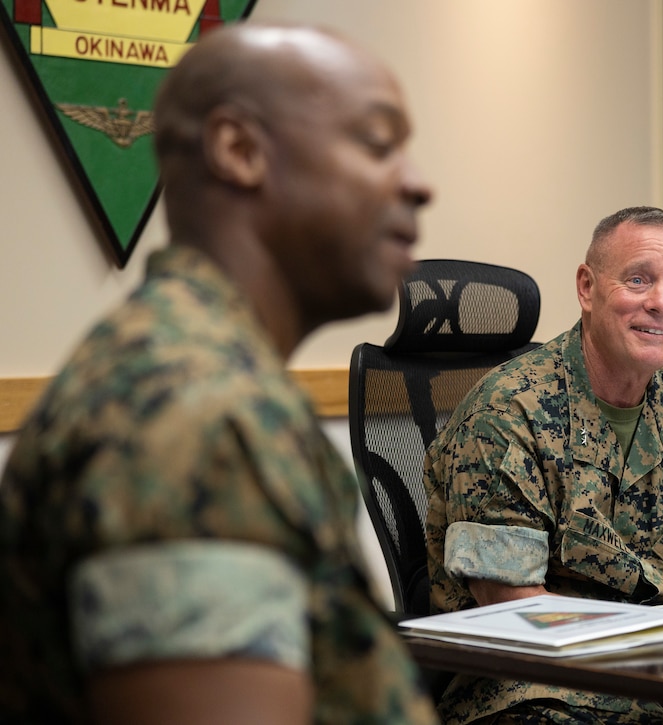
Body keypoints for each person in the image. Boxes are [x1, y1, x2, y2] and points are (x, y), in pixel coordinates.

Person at [0, 23, 438, 725]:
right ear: (240, 151)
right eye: (377, 142)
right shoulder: (196, 416)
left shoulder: (200, 375)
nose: (418, 183)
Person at [424, 206, 663, 724]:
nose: (660, 303)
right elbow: (511, 602)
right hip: (537, 684)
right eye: (638, 279)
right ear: (587, 287)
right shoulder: (510, 411)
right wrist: (652, 678)